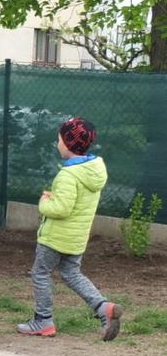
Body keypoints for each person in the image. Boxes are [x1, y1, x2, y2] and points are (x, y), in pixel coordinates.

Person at [17, 117, 122, 341]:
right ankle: (103, 308)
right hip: (76, 238)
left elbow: (62, 208)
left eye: (59, 140)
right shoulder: (93, 171)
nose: (57, 144)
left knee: (40, 274)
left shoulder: (68, 175)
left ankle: (43, 321)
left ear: (67, 143)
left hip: (55, 237)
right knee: (71, 273)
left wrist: (45, 202)